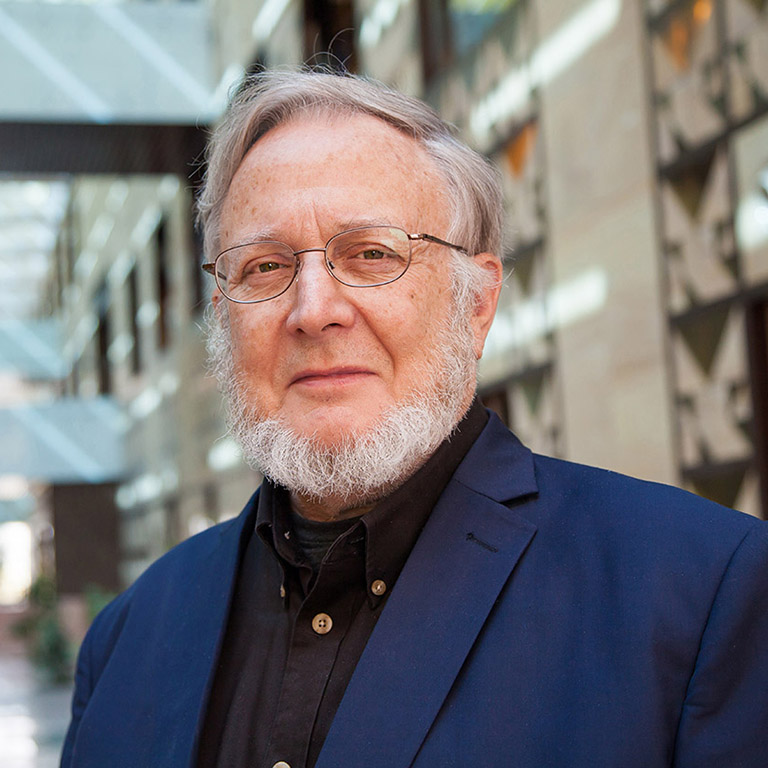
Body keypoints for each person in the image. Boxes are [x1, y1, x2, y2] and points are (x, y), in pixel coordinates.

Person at [61, 70, 768, 768]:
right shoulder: (126, 642)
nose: (313, 311)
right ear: (222, 317)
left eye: (371, 254)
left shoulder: (701, 597)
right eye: (265, 268)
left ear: (477, 302)